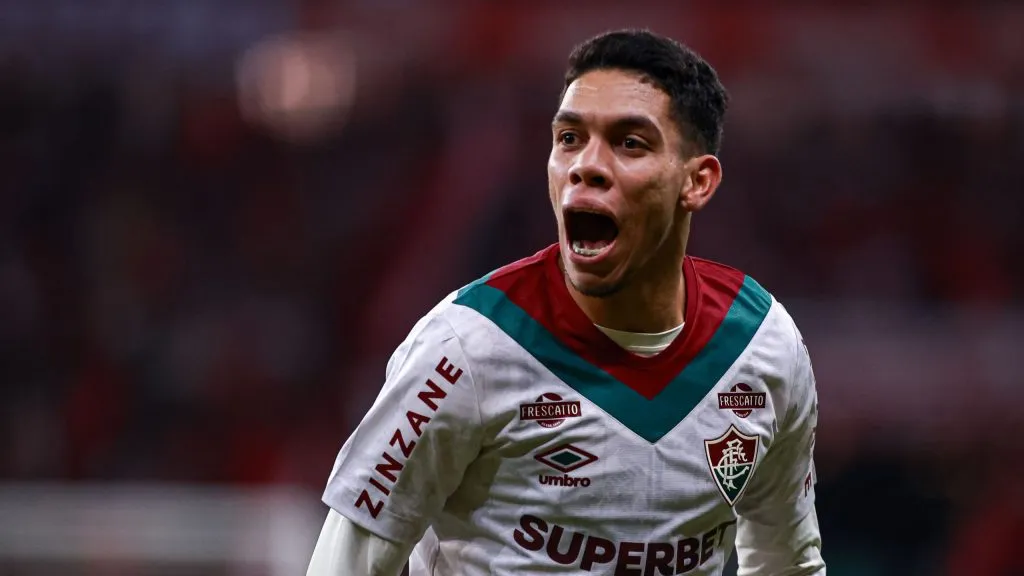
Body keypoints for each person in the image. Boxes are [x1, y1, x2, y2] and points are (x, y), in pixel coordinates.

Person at [307, 28, 824, 575]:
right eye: (570, 138)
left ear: (697, 182)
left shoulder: (762, 343)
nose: (586, 165)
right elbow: (347, 565)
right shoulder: (467, 347)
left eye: (630, 143)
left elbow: (787, 563)